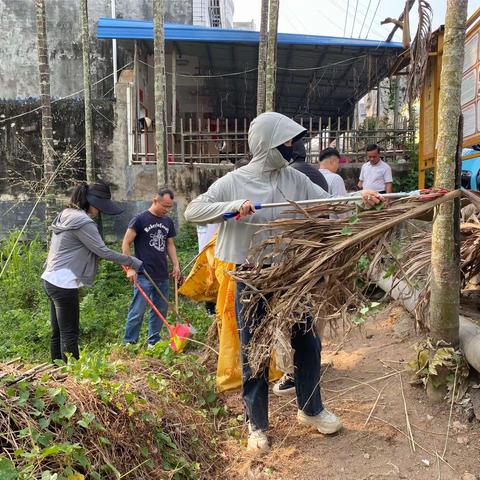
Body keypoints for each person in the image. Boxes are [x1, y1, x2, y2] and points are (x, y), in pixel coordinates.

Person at [184, 112, 382, 452]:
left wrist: (357, 199)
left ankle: (311, 409)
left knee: (307, 341)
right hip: (251, 275)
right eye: (288, 142)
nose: (294, 147)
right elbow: (193, 210)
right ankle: (257, 423)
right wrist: (233, 208)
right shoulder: (233, 180)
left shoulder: (293, 178)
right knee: (254, 349)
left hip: (290, 274)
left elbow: (325, 203)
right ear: (267, 144)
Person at [42, 182, 142, 363]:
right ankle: (72, 375)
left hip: (50, 279)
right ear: (90, 202)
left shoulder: (66, 214)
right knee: (69, 333)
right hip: (64, 282)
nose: (100, 210)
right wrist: (132, 261)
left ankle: (57, 371)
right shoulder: (83, 222)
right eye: (99, 205)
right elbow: (103, 251)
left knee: (58, 331)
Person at [123, 188, 180, 347]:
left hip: (162, 274)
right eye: (165, 206)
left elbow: (169, 244)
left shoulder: (167, 221)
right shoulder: (139, 219)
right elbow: (126, 243)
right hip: (143, 274)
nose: (167, 210)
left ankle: (153, 341)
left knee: (160, 310)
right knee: (137, 310)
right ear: (155, 200)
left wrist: (175, 264)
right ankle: (130, 343)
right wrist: (130, 268)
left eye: (170, 207)